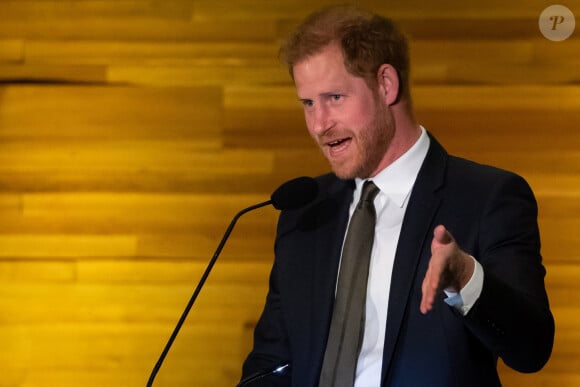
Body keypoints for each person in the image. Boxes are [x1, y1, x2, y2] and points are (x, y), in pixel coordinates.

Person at [240, 5, 554, 387]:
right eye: (308, 103)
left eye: (334, 97)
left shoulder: (487, 198)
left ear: (386, 85)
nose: (319, 124)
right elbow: (270, 363)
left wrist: (466, 279)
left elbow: (532, 348)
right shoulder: (305, 211)